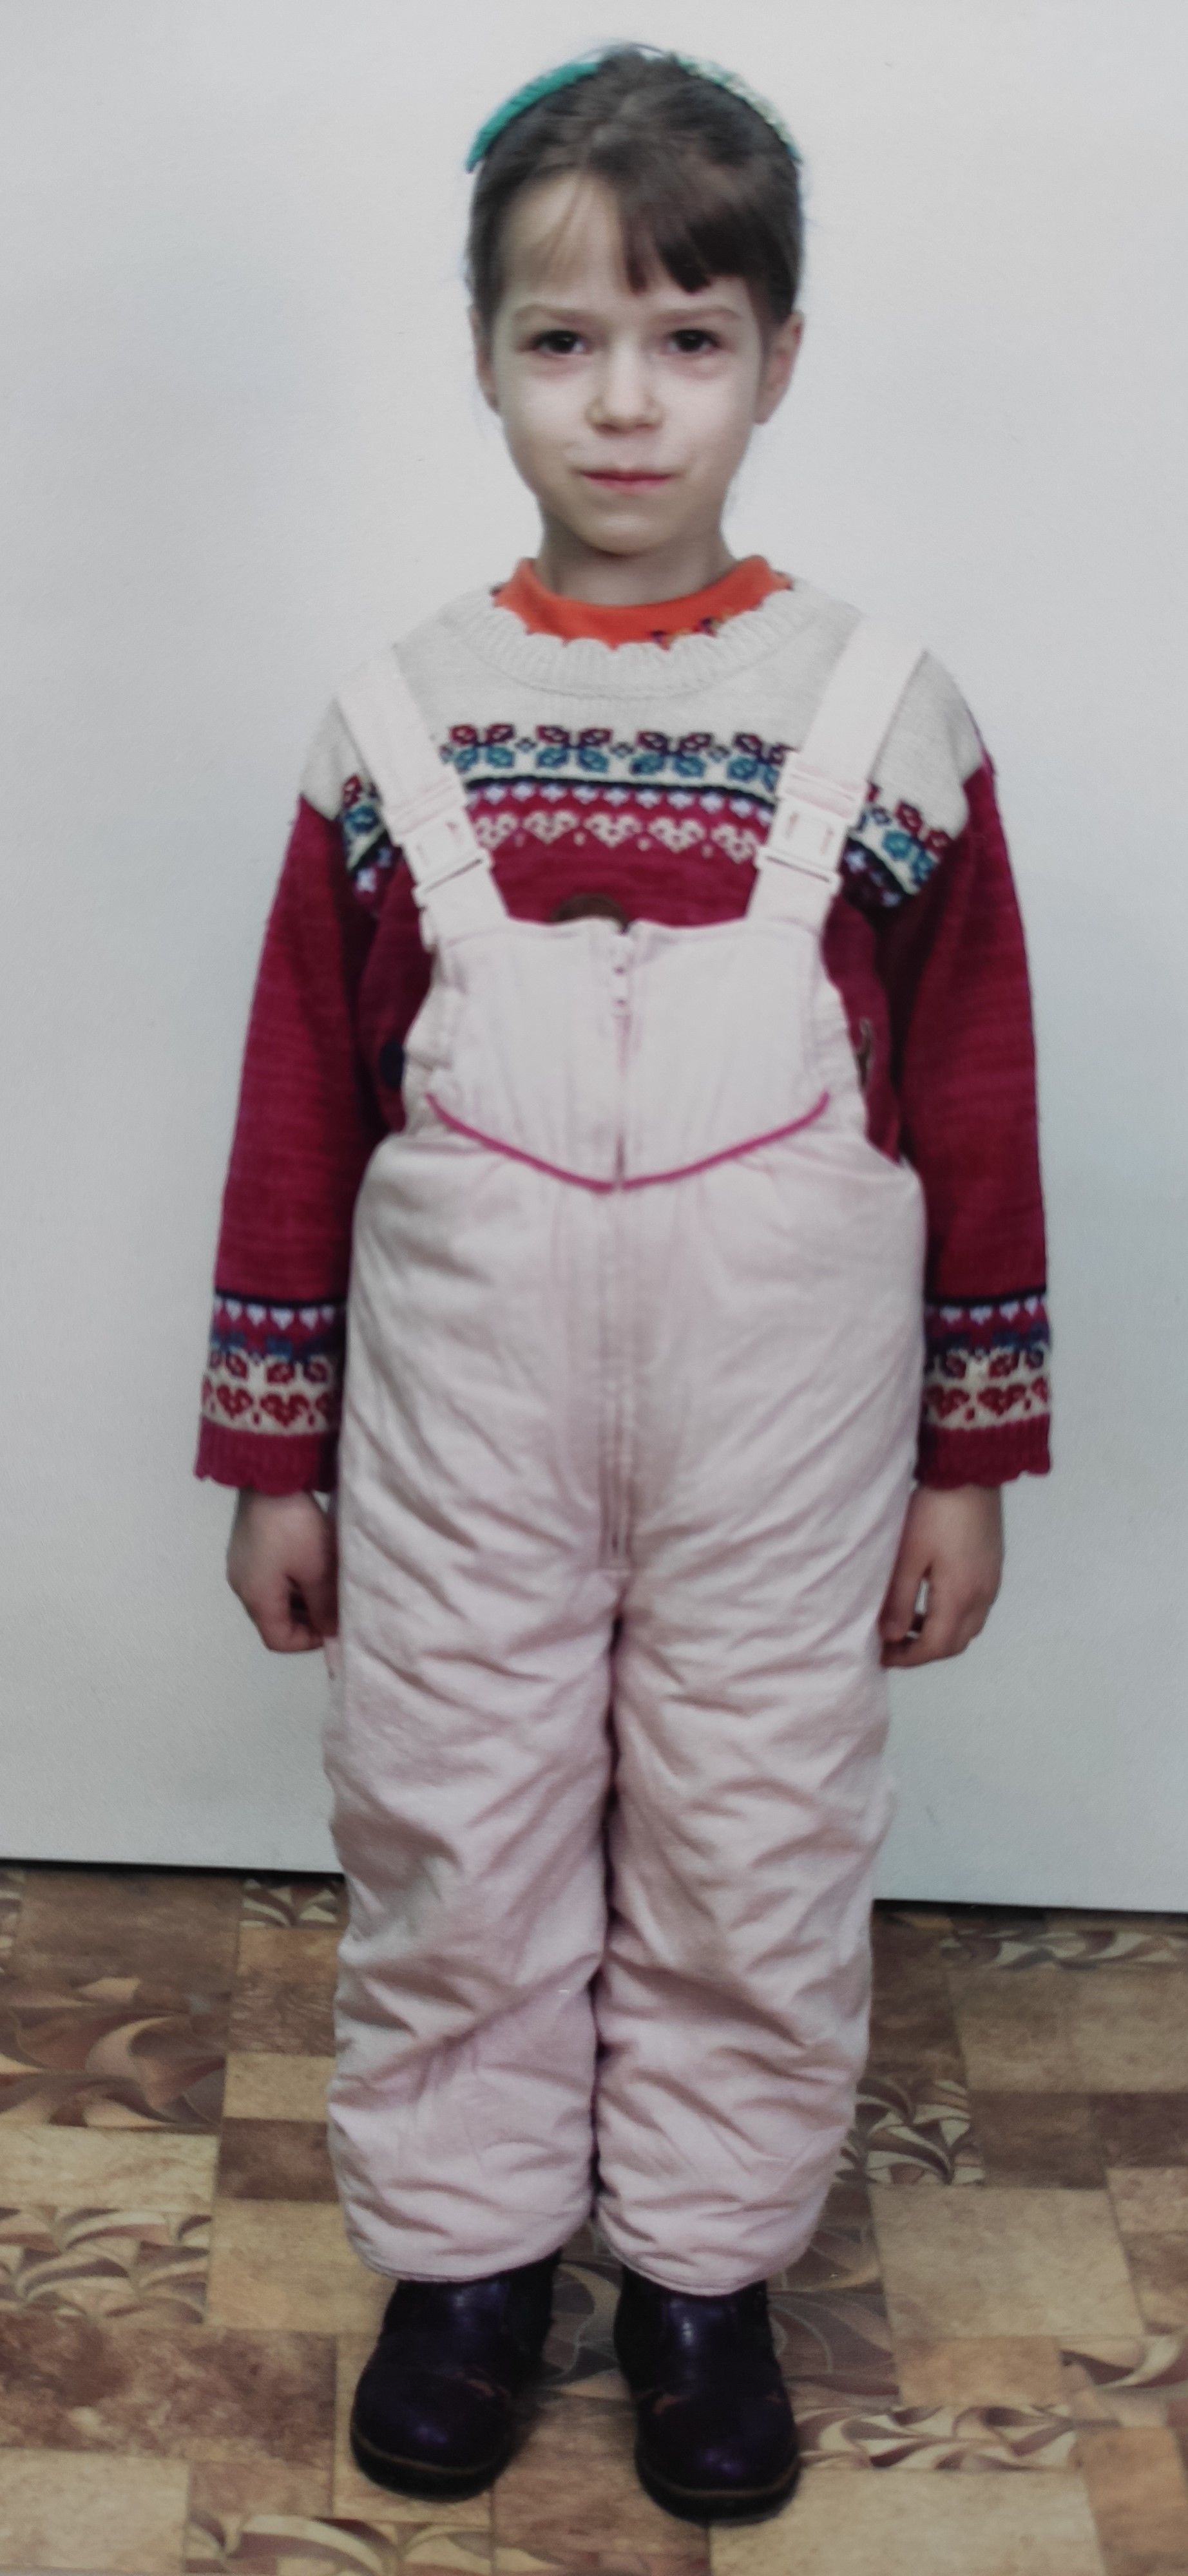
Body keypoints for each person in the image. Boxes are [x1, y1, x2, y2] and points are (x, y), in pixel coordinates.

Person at [196, 46, 1049, 2528]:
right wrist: (271, 1454)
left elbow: (975, 1110)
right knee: (451, 1811)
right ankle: (467, 2260)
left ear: (778, 358)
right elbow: (299, 1109)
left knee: (750, 1832)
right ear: (482, 358)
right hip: (459, 1425)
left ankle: (699, 2270)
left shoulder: (883, 722)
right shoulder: (398, 724)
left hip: (785, 1429)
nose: (625, 399)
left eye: (687, 339)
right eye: (562, 339)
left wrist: (969, 1461)